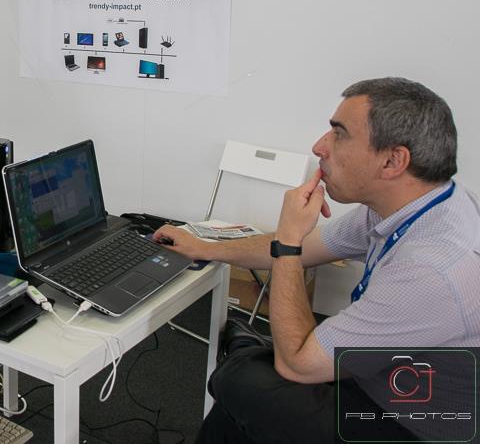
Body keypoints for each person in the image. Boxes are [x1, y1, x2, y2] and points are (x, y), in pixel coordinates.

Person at [155, 77, 480, 443]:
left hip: (412, 425)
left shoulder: (434, 271)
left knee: (243, 381)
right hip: (385, 378)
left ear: (392, 160)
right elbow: (310, 246)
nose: (319, 147)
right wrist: (204, 246)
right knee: (240, 398)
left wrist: (288, 240)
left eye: (339, 134)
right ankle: (248, 352)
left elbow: (297, 364)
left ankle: (247, 352)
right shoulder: (420, 203)